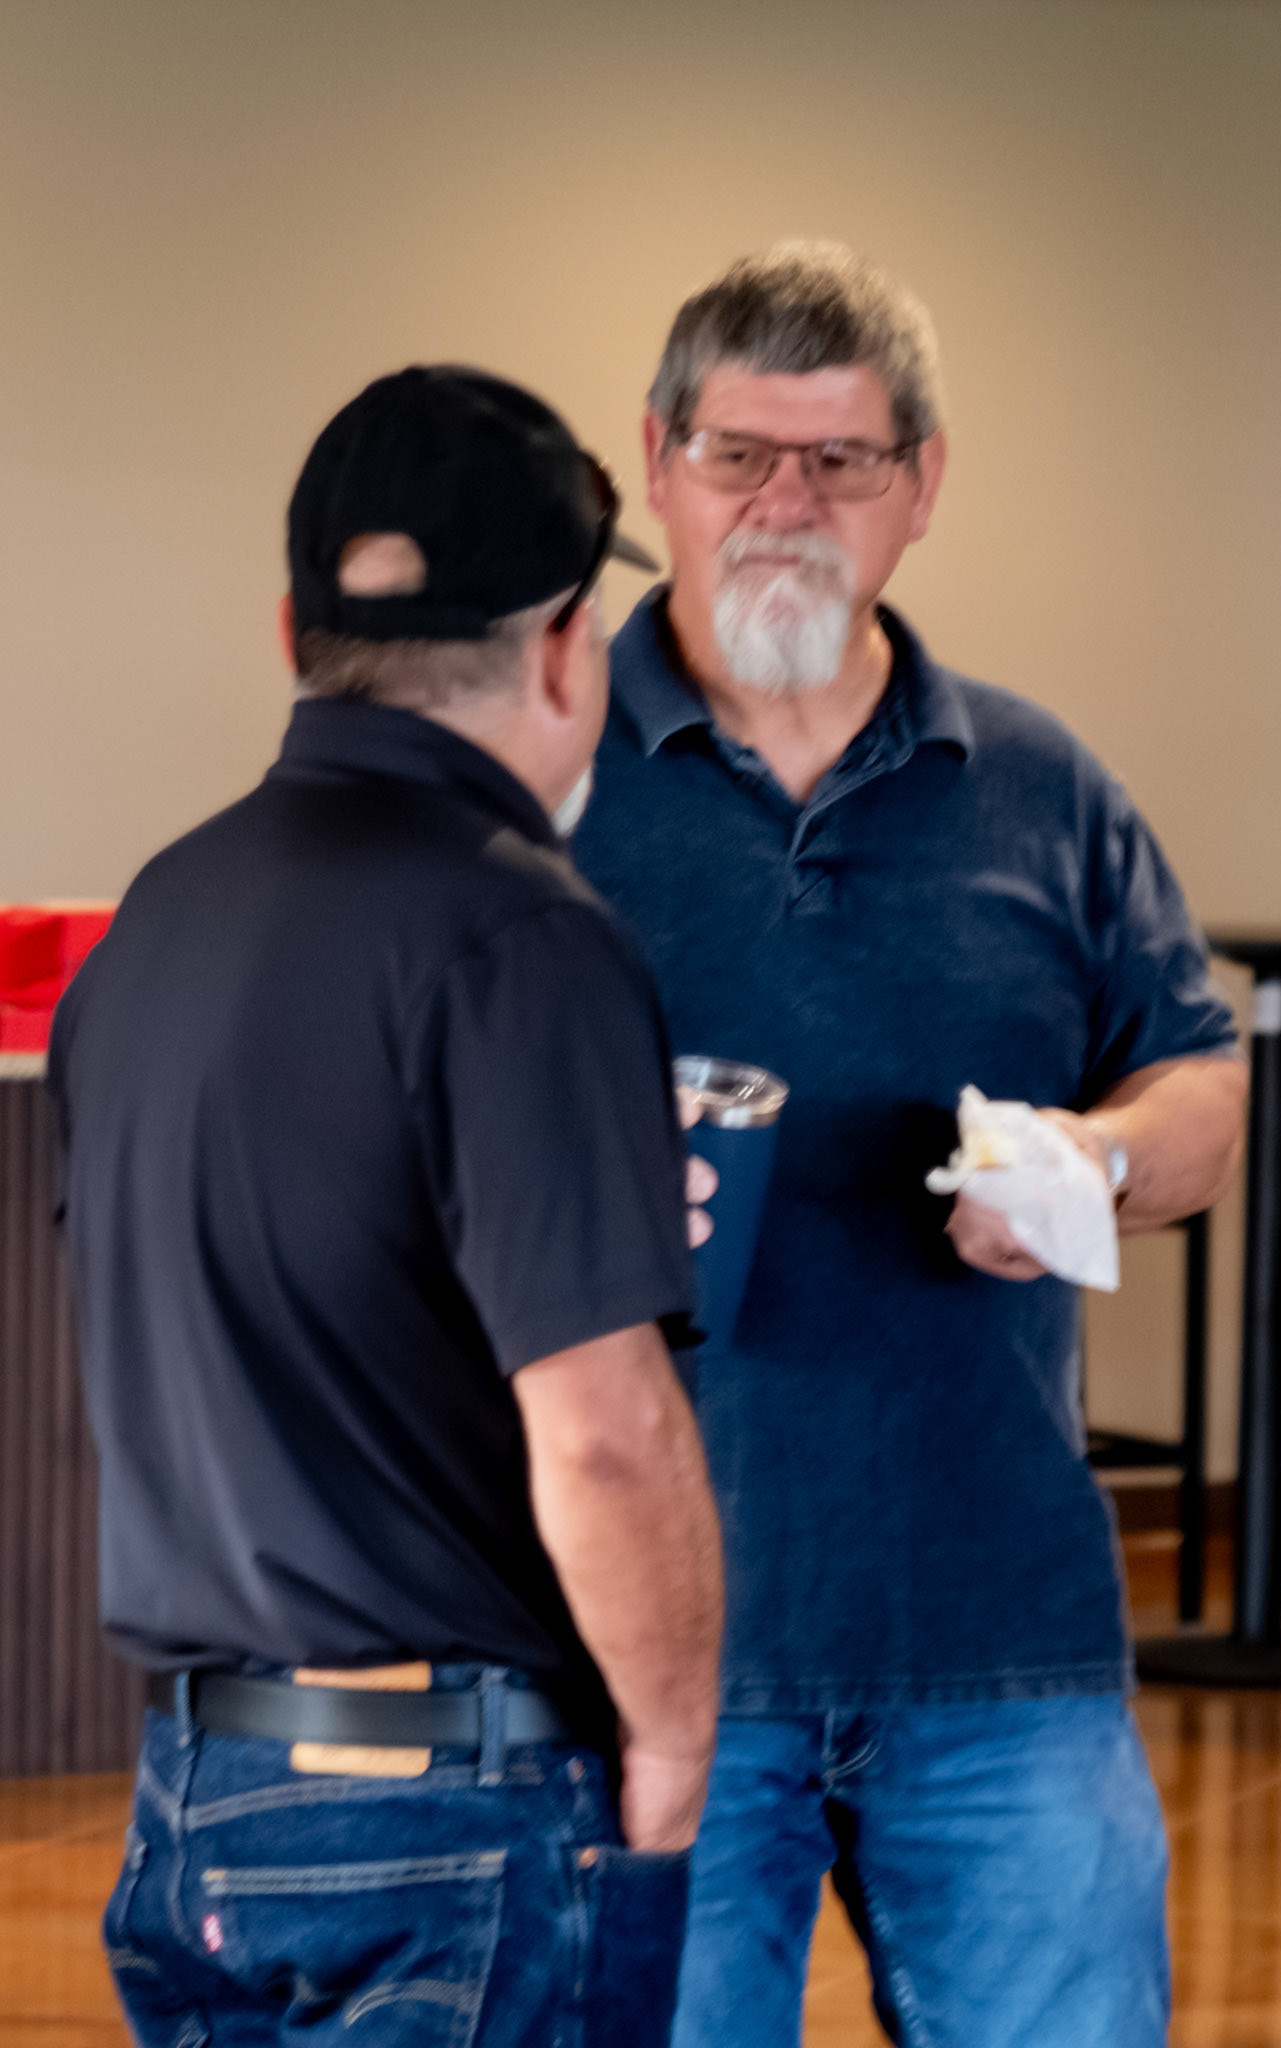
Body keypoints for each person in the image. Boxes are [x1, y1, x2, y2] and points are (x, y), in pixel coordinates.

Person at [572, 243, 1248, 2048]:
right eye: (737, 455)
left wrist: (1095, 1162)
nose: (783, 504)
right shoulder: (539, 787)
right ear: (657, 463)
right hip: (643, 1653)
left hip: (1002, 1644)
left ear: (922, 482)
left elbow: (1196, 1083)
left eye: (841, 460)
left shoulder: (1041, 784)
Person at [49, 364, 723, 2047]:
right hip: (452, 1816)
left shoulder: (158, 919)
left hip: (200, 1798)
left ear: (294, 629)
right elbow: (604, 1434)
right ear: (565, 644)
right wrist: (671, 1749)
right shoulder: (523, 938)